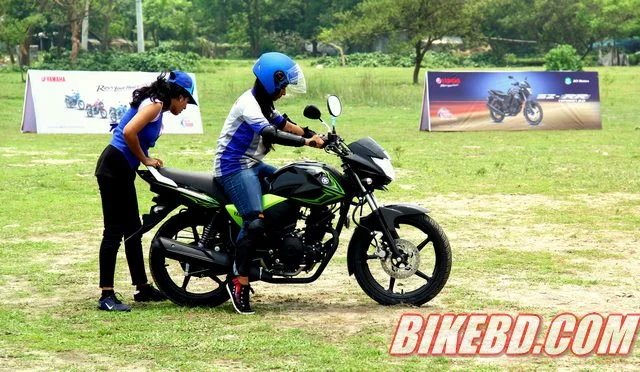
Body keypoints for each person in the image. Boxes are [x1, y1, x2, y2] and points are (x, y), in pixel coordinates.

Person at [215, 52, 324, 315]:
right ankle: (239, 281)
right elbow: (269, 132)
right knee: (254, 222)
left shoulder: (264, 104)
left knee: (296, 190)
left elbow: (283, 124)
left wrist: (315, 135)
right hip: (234, 167)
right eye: (283, 86)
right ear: (271, 81)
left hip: (253, 165)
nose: (285, 92)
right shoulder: (249, 105)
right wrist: (305, 143)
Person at [95, 71, 198, 311]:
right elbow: (129, 132)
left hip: (122, 169)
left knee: (132, 231)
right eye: (186, 101)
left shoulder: (156, 106)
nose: (185, 107)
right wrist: (145, 159)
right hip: (113, 167)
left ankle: (142, 288)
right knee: (113, 232)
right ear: (178, 95)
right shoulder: (155, 105)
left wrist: (142, 159)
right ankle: (106, 295)